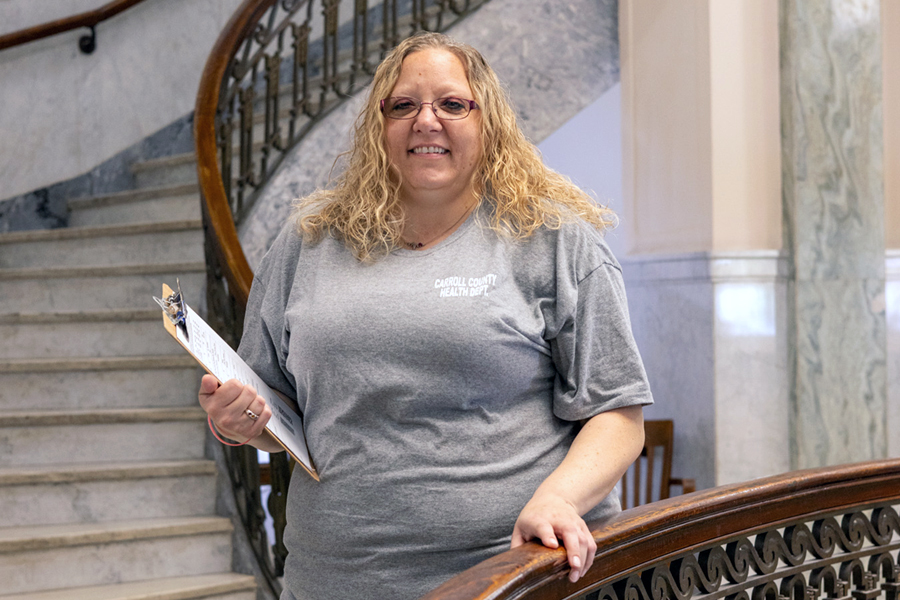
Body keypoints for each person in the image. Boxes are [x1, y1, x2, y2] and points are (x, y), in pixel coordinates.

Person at [198, 31, 652, 600]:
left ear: (489, 124)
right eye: (403, 105)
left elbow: (618, 415)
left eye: (453, 104)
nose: (426, 121)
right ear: (378, 126)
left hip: (511, 576)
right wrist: (240, 422)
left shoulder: (554, 241)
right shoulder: (308, 242)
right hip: (333, 580)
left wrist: (559, 500)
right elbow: (274, 409)